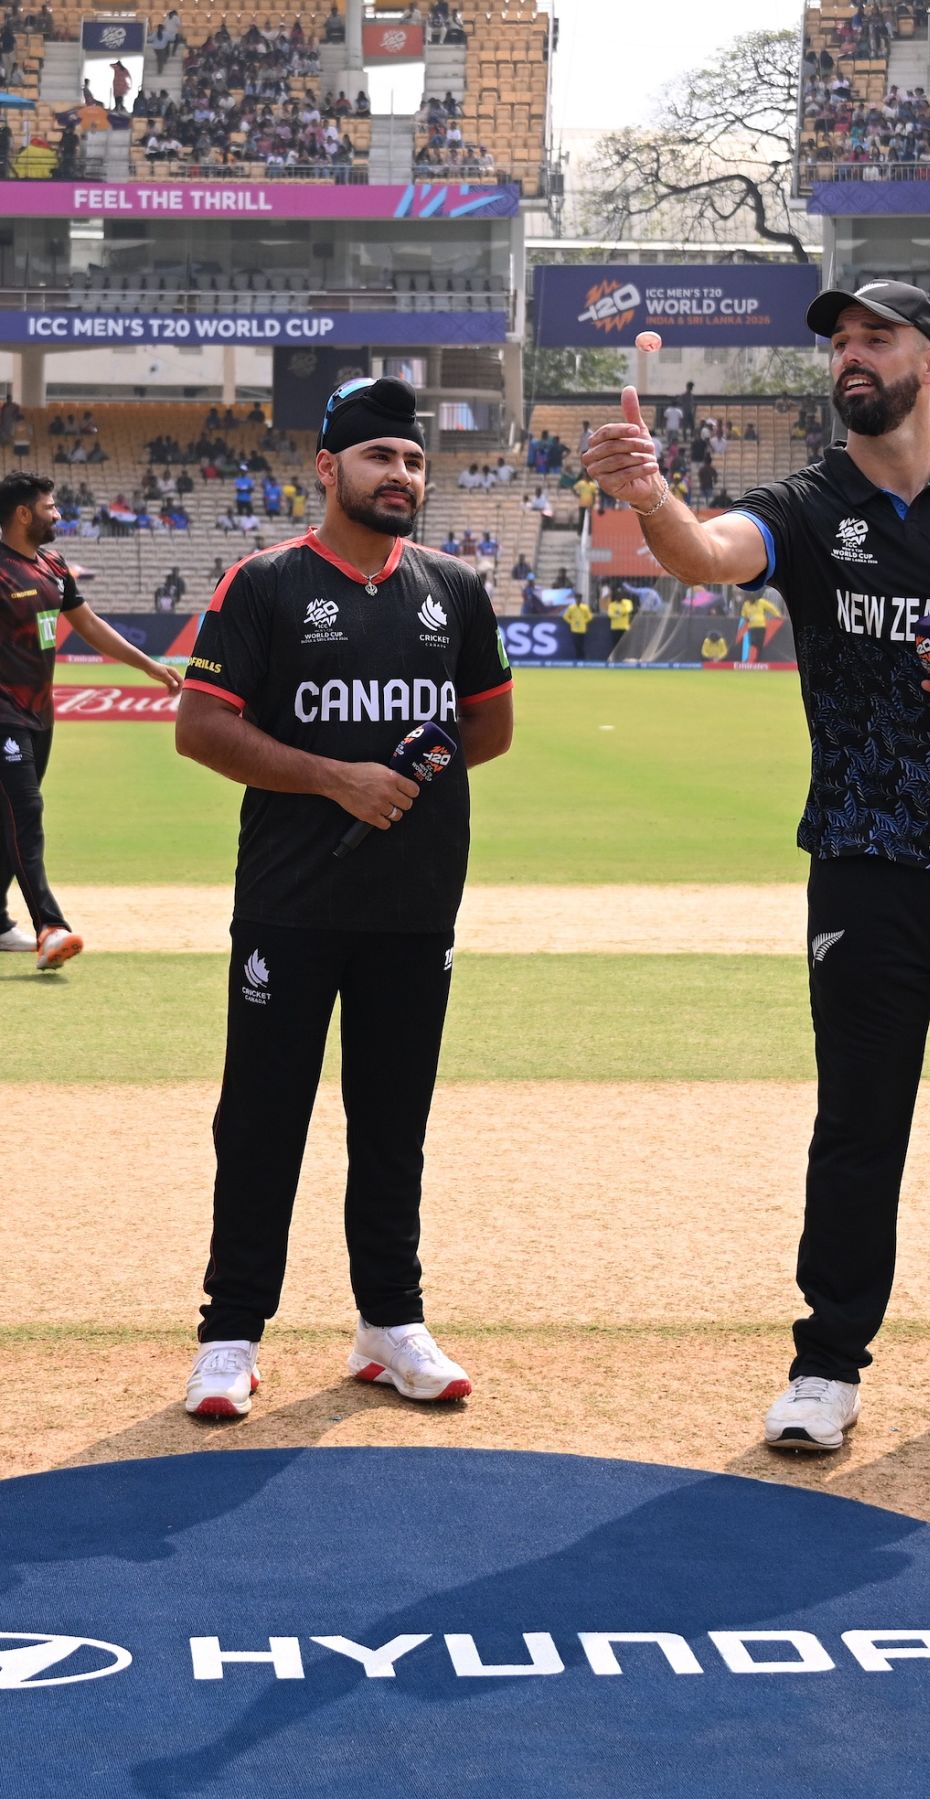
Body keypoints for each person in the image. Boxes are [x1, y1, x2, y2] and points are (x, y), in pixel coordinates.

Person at [583, 277, 930, 1449]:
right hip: (864, 862)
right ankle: (826, 1367)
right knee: (857, 1120)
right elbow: (710, 555)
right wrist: (651, 495)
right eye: (838, 345)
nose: (850, 359)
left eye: (876, 339)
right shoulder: (809, 504)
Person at [174, 377, 514, 1420]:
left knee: (392, 1122)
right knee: (264, 1119)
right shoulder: (265, 583)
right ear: (328, 468)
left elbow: (488, 727)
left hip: (413, 906)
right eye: (379, 458)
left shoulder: (453, 589)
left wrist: (418, 758)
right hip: (289, 904)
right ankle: (229, 1334)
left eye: (412, 461)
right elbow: (201, 727)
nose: (400, 476)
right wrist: (336, 775)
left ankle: (390, 1323)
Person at [0, 472, 181, 967]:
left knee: (9, 821)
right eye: (49, 507)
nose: (57, 514)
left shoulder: (54, 565)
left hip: (39, 713)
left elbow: (90, 626)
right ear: (22, 514)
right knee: (26, 812)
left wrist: (148, 664)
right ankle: (50, 927)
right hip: (3, 715)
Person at [738, 590, 780, 663]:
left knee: (759, 644)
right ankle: (751, 659)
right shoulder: (746, 604)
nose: (751, 600)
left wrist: (777, 615)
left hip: (761, 626)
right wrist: (746, 618)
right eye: (749, 598)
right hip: (752, 627)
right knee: (753, 643)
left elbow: (771, 607)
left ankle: (758, 660)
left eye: (752, 598)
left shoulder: (761, 602)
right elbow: (743, 615)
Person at [564, 591, 592, 661]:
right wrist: (571, 622)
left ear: (581, 599)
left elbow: (590, 616)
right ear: (575, 599)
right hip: (574, 629)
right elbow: (565, 616)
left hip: (582, 629)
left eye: (579, 598)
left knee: (581, 644)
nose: (578, 600)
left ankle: (582, 658)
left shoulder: (585, 607)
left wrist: (583, 621)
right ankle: (578, 658)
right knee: (576, 644)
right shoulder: (571, 608)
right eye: (577, 598)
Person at [606, 589, 633, 656]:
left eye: (621, 594)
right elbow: (610, 614)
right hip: (615, 627)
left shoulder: (627, 602)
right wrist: (621, 614)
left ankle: (624, 658)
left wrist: (618, 613)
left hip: (625, 627)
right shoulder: (612, 605)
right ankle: (616, 658)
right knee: (615, 645)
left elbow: (629, 609)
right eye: (618, 595)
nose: (620, 596)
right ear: (615, 596)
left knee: (625, 645)